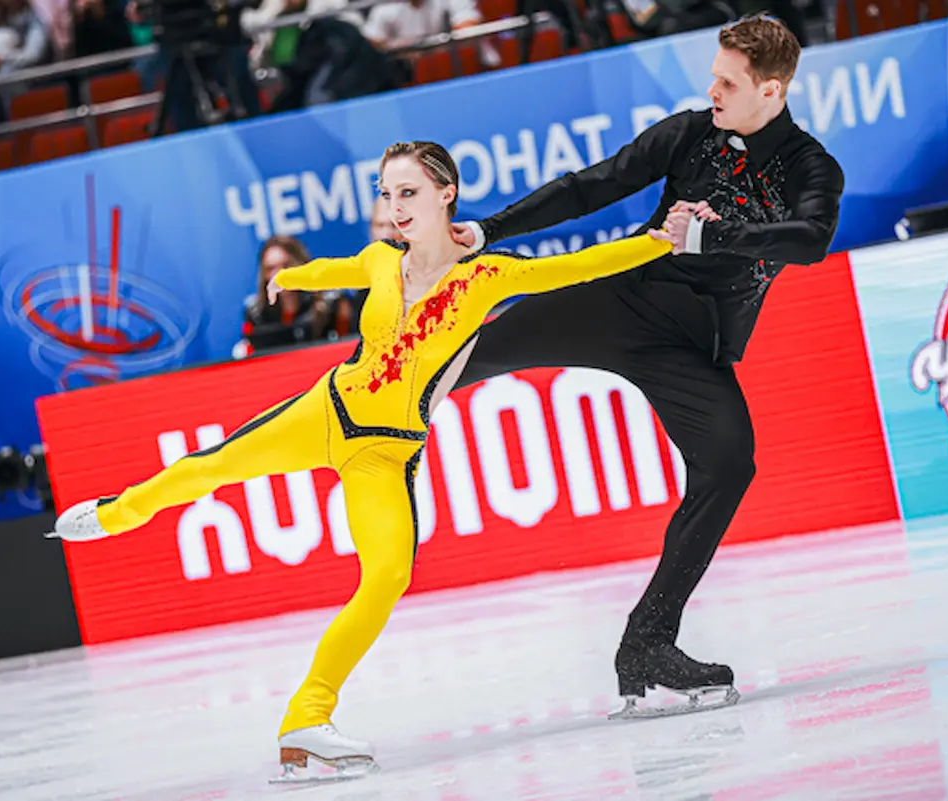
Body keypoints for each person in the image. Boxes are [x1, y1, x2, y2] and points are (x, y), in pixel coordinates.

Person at [47, 141, 675, 777]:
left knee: (387, 576)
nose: (394, 207)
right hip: (325, 411)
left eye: (407, 193)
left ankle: (306, 718)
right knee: (209, 466)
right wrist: (289, 276)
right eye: (385, 194)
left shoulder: (489, 277)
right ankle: (115, 514)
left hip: (385, 453)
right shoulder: (382, 260)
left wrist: (661, 240)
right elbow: (335, 269)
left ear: (445, 193)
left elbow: (586, 264)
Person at [448, 14, 844, 716]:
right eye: (714, 75)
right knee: (462, 354)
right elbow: (593, 185)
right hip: (618, 301)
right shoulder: (691, 131)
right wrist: (490, 231)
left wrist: (718, 234)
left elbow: (810, 239)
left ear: (772, 91)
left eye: (728, 81)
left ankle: (648, 640)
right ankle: (359, 405)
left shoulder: (810, 166)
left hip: (689, 347)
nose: (712, 89)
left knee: (730, 464)